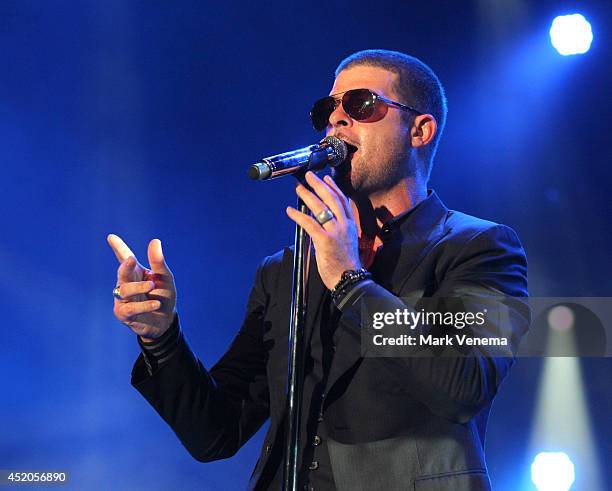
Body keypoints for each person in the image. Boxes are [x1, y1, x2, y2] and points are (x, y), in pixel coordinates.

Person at [107, 49, 530, 491]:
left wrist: (350, 281)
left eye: (361, 105)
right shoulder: (286, 270)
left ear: (420, 130)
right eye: (328, 109)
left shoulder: (478, 248)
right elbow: (216, 432)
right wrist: (161, 338)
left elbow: (463, 384)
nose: (337, 121)